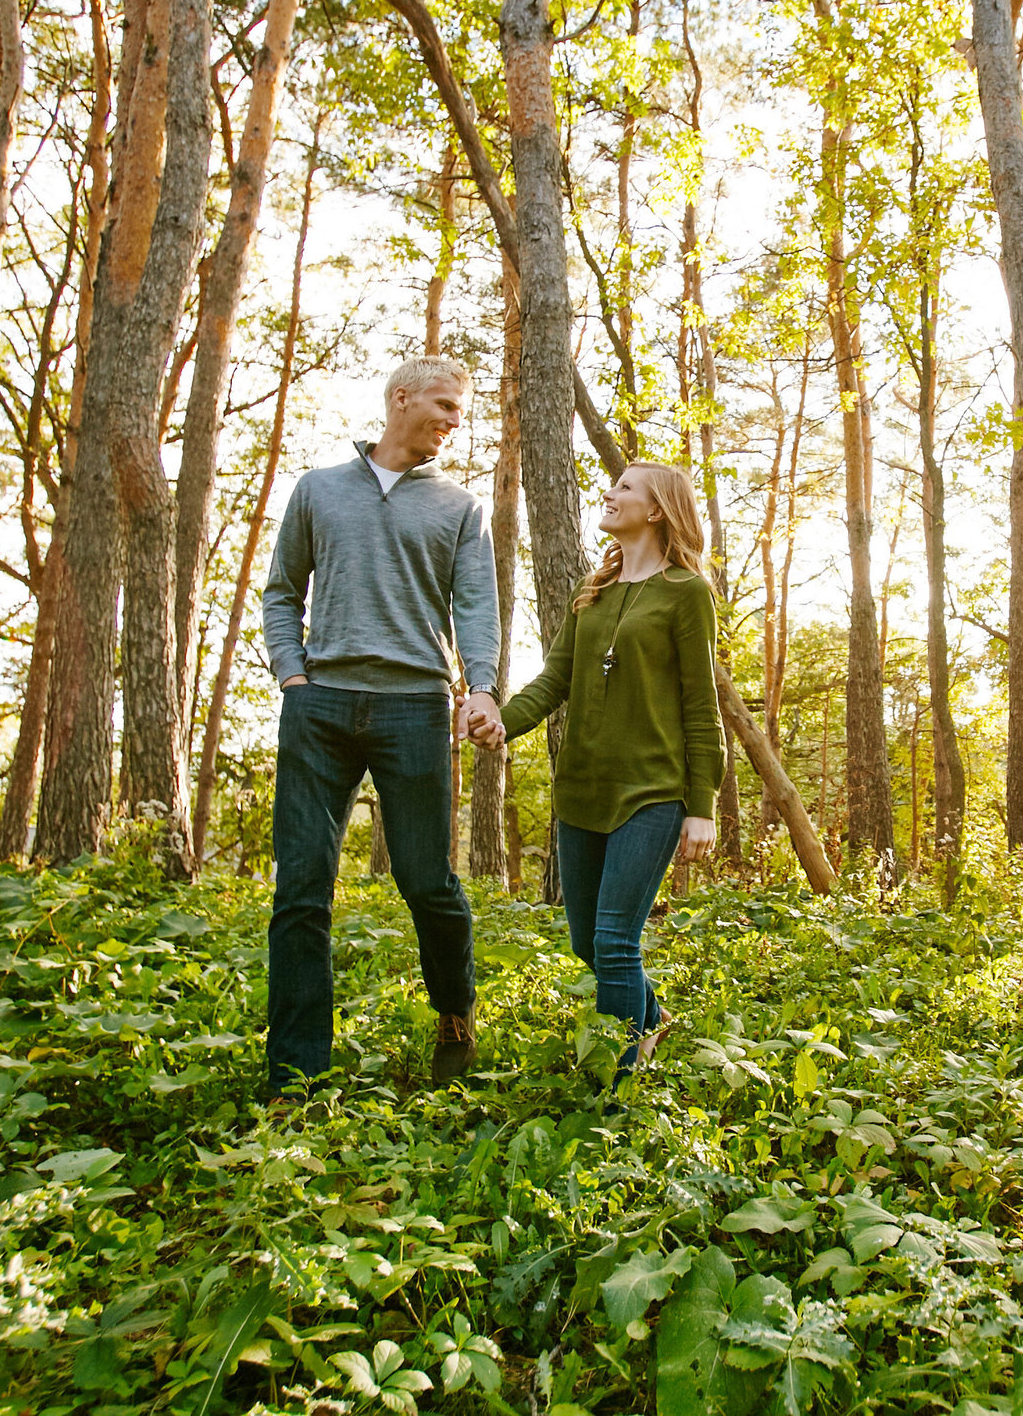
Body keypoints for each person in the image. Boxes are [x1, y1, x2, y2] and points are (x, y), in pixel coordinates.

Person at [260, 355, 504, 1096]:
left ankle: (455, 1017)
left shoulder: (460, 508)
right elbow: (280, 591)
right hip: (321, 705)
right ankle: (296, 1073)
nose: (453, 420)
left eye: (458, 410)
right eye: (443, 404)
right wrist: (292, 675)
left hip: (415, 709)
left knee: (429, 881)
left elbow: (476, 609)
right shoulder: (317, 489)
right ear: (400, 399)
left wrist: (483, 689)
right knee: (302, 888)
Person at [466, 462, 724, 1076]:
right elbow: (555, 679)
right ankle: (650, 1017)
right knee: (588, 941)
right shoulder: (595, 592)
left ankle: (615, 1078)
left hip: (651, 794)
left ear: (657, 510)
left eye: (626, 488)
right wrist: (502, 720)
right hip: (581, 790)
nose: (610, 493)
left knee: (614, 940)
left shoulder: (686, 594)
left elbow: (701, 708)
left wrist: (702, 807)